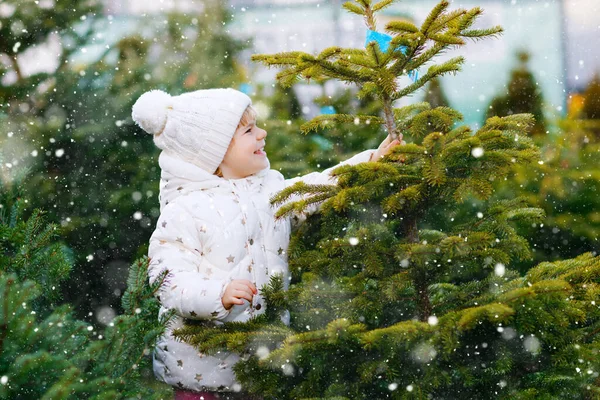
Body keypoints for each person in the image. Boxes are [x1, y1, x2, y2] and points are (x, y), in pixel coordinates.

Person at [131, 88, 401, 400]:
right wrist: (217, 295)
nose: (262, 133)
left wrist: (368, 164)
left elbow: (314, 188)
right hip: (201, 376)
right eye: (248, 130)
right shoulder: (185, 210)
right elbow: (168, 279)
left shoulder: (269, 191)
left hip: (261, 367)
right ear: (214, 153)